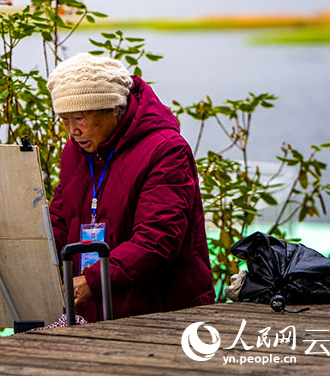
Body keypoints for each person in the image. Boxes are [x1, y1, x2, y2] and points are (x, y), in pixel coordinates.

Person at [47, 53, 215, 322]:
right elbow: (59, 219)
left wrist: (94, 281)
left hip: (161, 314)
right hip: (96, 312)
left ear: (113, 109)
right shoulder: (76, 152)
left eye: (79, 118)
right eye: (64, 120)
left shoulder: (166, 150)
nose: (72, 131)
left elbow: (157, 239)